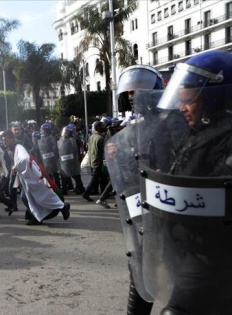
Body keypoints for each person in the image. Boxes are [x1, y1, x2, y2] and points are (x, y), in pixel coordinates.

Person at [138, 50, 232, 314]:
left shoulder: (227, 137)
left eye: (188, 100)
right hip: (186, 241)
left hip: (213, 251)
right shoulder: (196, 133)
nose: (181, 108)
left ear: (214, 98)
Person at [104, 64, 166, 315]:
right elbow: (128, 178)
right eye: (129, 93)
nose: (133, 96)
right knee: (140, 273)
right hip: (142, 214)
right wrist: (118, 156)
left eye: (138, 91)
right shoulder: (129, 132)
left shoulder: (173, 124)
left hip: (171, 215)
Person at [0, 131, 70, 224]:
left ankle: (61, 207)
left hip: (33, 177)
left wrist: (16, 167)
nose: (4, 142)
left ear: (12, 139)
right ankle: (38, 216)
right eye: (3, 140)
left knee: (37, 196)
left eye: (6, 139)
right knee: (29, 197)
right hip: (28, 177)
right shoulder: (11, 149)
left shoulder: (18, 147)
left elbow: (24, 159)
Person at [82, 121, 108, 202]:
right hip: (98, 162)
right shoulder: (101, 138)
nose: (104, 127)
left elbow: (87, 147)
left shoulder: (91, 137)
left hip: (93, 161)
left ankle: (105, 193)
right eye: (102, 125)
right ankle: (86, 193)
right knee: (94, 179)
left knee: (103, 178)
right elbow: (104, 152)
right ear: (98, 128)